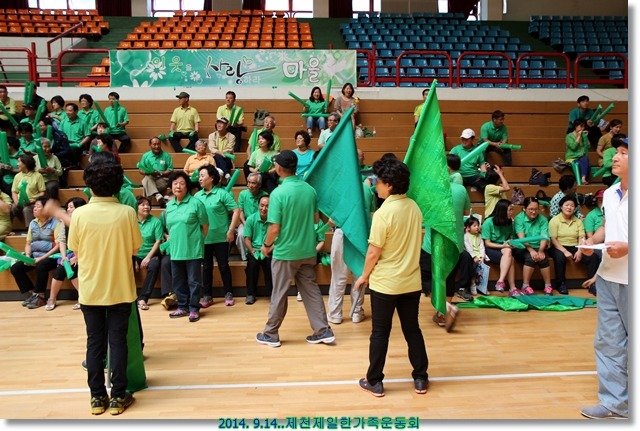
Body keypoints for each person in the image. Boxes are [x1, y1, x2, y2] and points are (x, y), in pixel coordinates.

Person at [62, 151, 142, 415]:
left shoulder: (79, 215)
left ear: (89, 184)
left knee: (94, 343)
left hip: (90, 290)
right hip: (121, 289)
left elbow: (74, 248)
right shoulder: (127, 213)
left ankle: (97, 398)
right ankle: (118, 397)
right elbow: (135, 248)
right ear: (117, 184)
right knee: (118, 342)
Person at [353, 157, 428, 397]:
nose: (375, 185)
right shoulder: (414, 207)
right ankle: (420, 378)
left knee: (380, 333)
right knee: (412, 330)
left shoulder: (383, 213)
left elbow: (374, 251)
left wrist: (364, 276)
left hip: (385, 284)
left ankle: (374, 381)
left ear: (390, 184)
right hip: (411, 282)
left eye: (379, 181)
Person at [256, 150, 335, 348]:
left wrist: (266, 246)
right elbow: (315, 220)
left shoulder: (278, 193)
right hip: (307, 251)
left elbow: (274, 228)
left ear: (279, 168)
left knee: (279, 293)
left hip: (285, 253)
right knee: (311, 291)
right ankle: (323, 330)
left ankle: (271, 334)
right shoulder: (310, 190)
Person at [579, 136, 628, 420]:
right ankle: (615, 404)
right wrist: (591, 242)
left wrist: (629, 248)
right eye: (616, 152)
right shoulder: (609, 193)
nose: (615, 157)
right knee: (609, 342)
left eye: (623, 153)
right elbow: (607, 227)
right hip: (609, 276)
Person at [164, 171, 209, 323]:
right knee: (178, 281)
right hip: (176, 250)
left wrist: (197, 241)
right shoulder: (169, 206)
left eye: (182, 183)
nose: (178, 186)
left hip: (193, 250)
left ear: (187, 186)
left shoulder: (196, 203)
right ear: (171, 186)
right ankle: (182, 306)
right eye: (175, 183)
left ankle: (194, 308)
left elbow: (205, 226)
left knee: (193, 281)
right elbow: (170, 228)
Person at [195, 165, 240, 308]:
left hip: (222, 237)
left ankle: (228, 293)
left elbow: (236, 211)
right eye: (199, 176)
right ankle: (207, 296)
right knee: (206, 267)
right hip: (204, 238)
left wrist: (231, 230)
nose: (200, 178)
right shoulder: (197, 196)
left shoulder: (222, 193)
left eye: (202, 175)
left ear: (212, 178)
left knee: (223, 266)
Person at [11, 197, 63, 309]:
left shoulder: (56, 223)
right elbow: (28, 243)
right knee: (16, 268)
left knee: (41, 265)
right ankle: (33, 294)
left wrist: (41, 258)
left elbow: (58, 245)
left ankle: (41, 296)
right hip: (34, 255)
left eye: (38, 206)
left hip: (51, 256)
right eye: (34, 206)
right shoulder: (33, 223)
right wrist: (27, 257)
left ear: (46, 209)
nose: (34, 208)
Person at [547, 194, 600, 295]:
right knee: (560, 257)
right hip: (558, 247)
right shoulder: (554, 221)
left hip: (575, 246)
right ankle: (561, 284)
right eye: (567, 205)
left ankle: (592, 284)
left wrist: (580, 250)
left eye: (572, 206)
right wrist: (565, 251)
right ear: (561, 206)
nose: (569, 208)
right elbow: (553, 240)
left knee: (592, 257)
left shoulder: (578, 221)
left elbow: (581, 237)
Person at [45, 197, 86, 311]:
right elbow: (62, 240)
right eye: (67, 207)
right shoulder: (64, 223)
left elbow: (85, 243)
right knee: (60, 270)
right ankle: (52, 298)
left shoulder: (83, 222)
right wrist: (64, 257)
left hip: (83, 254)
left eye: (71, 207)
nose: (68, 209)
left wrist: (77, 258)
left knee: (72, 269)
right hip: (69, 253)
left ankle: (83, 298)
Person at [513, 197, 553, 295]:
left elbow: (544, 236)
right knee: (531, 258)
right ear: (524, 208)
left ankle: (548, 286)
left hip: (539, 246)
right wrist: (531, 250)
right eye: (531, 209)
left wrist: (541, 250)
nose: (534, 212)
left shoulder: (543, 219)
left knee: (543, 258)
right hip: (522, 246)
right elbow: (522, 238)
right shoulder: (519, 218)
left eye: (536, 209)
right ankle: (525, 286)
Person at [132, 196, 164, 310]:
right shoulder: (132, 221)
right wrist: (134, 258)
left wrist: (147, 258)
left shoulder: (156, 221)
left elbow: (158, 241)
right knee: (126, 265)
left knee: (154, 265)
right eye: (143, 205)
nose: (146, 207)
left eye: (148, 205)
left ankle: (143, 299)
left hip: (151, 253)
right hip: (135, 253)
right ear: (136, 207)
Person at [482, 199, 518, 296]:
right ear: (502, 211)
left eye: (512, 210)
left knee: (508, 252)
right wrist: (502, 245)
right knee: (511, 259)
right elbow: (487, 243)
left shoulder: (510, 222)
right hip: (491, 248)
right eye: (510, 210)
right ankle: (512, 288)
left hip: (504, 247)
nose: (511, 212)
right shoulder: (488, 222)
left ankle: (501, 281)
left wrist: (511, 243)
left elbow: (510, 237)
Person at [243, 195, 273, 305]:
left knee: (270, 265)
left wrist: (268, 250)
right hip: (253, 250)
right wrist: (252, 251)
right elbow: (247, 239)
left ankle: (272, 293)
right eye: (262, 205)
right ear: (258, 205)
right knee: (252, 266)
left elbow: (277, 240)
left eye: (267, 206)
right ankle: (250, 294)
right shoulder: (251, 219)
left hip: (269, 249)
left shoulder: (274, 220)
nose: (264, 208)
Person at [236, 172, 268, 261]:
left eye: (253, 183)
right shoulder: (243, 194)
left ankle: (262, 254)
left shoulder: (264, 195)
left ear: (259, 185)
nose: (250, 185)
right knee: (241, 234)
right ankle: (245, 257)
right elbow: (240, 211)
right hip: (246, 221)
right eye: (249, 182)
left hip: (261, 222)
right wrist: (245, 223)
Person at [11, 153, 46, 227]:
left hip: (33, 202)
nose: (17, 164)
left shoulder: (38, 176)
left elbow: (42, 192)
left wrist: (34, 199)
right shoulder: (17, 176)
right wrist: (16, 202)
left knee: (27, 209)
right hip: (20, 202)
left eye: (19, 162)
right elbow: (14, 191)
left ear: (25, 163)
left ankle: (30, 229)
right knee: (13, 208)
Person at [138, 136, 173, 208]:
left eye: (158, 144)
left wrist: (160, 173)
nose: (157, 146)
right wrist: (147, 172)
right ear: (150, 145)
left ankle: (147, 205)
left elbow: (170, 170)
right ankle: (159, 197)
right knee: (147, 178)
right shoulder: (145, 155)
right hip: (150, 178)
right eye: (154, 144)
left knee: (145, 182)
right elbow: (140, 170)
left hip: (163, 179)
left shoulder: (167, 156)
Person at [463, 216, 488, 295]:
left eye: (478, 225)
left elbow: (482, 247)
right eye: (474, 226)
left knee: (484, 268)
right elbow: (468, 248)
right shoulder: (466, 236)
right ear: (468, 228)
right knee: (473, 266)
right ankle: (473, 283)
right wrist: (474, 257)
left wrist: (482, 256)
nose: (477, 227)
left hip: (479, 255)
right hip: (471, 256)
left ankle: (483, 286)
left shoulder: (479, 236)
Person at [565, 118, 591, 185]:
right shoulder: (569, 136)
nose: (583, 128)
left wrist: (586, 137)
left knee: (586, 160)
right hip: (572, 157)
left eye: (584, 126)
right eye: (581, 126)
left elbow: (588, 147)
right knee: (583, 162)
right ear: (575, 126)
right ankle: (583, 178)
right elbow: (573, 147)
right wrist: (579, 136)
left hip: (581, 157)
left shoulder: (583, 136)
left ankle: (583, 178)